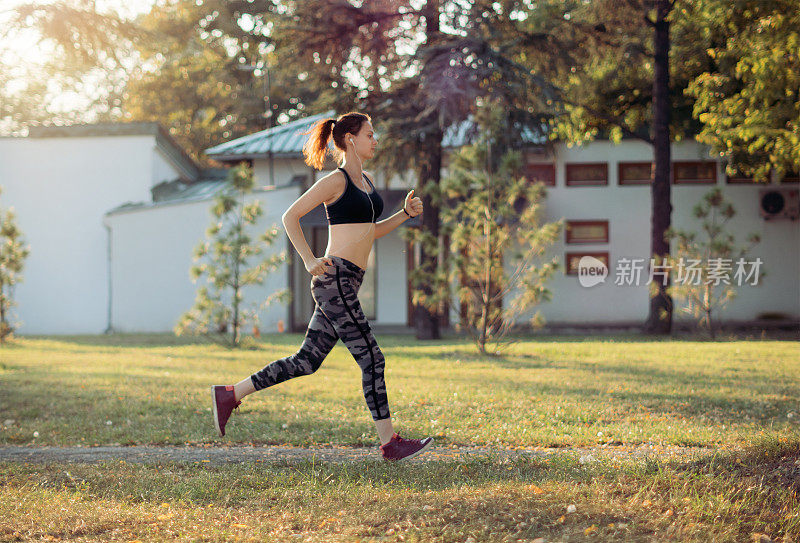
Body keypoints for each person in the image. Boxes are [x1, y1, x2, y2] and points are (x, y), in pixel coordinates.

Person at [211, 111, 434, 461]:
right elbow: (290, 216)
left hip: (348, 282)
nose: (375, 140)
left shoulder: (369, 181)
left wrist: (404, 215)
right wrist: (309, 260)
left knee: (307, 361)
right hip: (336, 280)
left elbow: (369, 231)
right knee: (373, 359)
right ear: (350, 140)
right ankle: (390, 443)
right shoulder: (336, 180)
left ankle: (230, 394)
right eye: (369, 134)